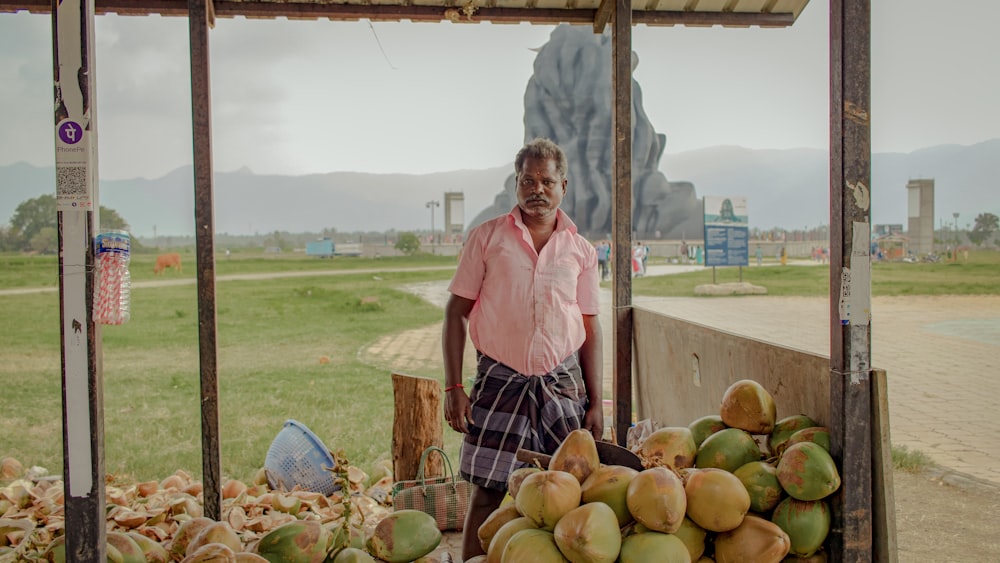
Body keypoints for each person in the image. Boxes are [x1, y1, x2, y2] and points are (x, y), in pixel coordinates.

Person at [442, 138, 603, 560]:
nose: (537, 189)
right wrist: (454, 387)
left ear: (563, 186)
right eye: (528, 180)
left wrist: (597, 401)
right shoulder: (487, 238)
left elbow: (590, 326)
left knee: (569, 491)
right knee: (488, 491)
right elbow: (455, 311)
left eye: (547, 181)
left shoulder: (581, 251)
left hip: (562, 383)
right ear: (517, 183)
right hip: (500, 379)